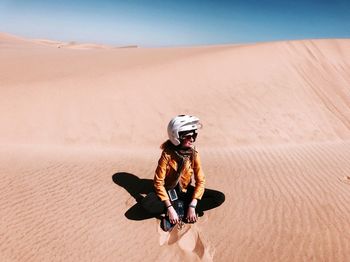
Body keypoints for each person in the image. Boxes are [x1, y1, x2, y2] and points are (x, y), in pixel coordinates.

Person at [141, 115, 225, 231]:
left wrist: (193, 205)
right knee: (146, 203)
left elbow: (201, 180)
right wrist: (169, 208)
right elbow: (158, 183)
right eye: (188, 136)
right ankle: (177, 211)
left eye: (194, 135)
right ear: (176, 137)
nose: (192, 139)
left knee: (219, 197)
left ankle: (185, 209)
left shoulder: (194, 154)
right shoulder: (167, 154)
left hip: (185, 191)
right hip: (168, 191)